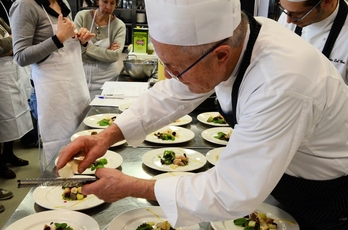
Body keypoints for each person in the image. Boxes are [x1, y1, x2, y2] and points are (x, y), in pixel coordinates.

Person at [57, 0, 348, 229]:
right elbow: (174, 93)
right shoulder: (240, 40)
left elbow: (231, 190)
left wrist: (131, 187)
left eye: (175, 68)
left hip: (327, 197)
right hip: (281, 178)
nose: (170, 76)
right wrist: (107, 135)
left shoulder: (281, 83)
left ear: (220, 55)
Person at [10, 0, 95, 165]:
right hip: (55, 93)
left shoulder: (62, 3)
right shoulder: (25, 5)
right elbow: (20, 56)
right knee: (61, 151)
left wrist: (82, 39)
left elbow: (68, 44)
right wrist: (58, 38)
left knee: (81, 145)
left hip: (77, 89)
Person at [277, 0, 348, 84]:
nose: (288, 20)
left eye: (299, 13)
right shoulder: (289, 15)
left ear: (327, 2)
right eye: (284, 9)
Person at [74, 0, 126, 99]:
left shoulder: (119, 26)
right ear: (97, 1)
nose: (108, 7)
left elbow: (114, 55)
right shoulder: (82, 17)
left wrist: (86, 45)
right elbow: (75, 49)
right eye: (105, 2)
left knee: (102, 111)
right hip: (81, 74)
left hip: (107, 77)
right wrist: (106, 51)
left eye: (112, 3)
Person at [0, 17, 32, 179]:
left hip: (10, 69)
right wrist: (9, 43)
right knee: (3, 119)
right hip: (1, 73)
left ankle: (8, 154)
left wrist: (11, 42)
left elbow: (16, 35)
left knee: (14, 116)